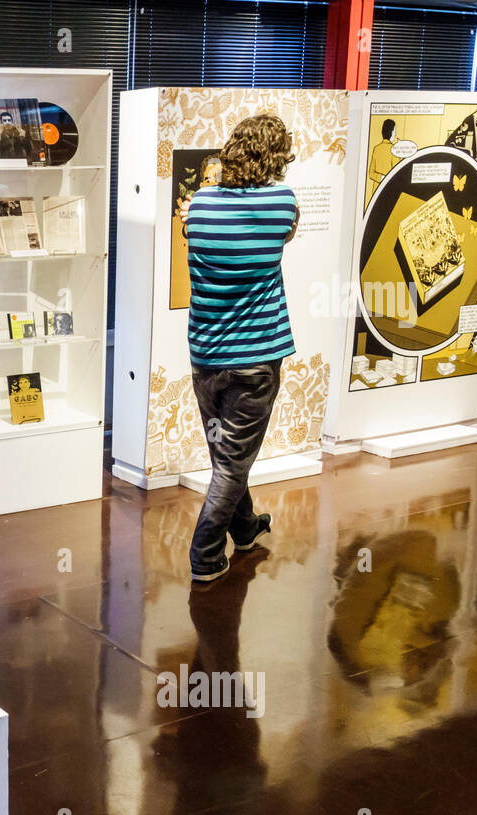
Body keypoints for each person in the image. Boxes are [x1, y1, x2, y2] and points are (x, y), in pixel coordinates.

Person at [180, 114, 299, 582]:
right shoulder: (283, 203)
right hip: (256, 358)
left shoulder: (200, 204)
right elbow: (287, 234)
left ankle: (246, 530)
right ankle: (205, 556)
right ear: (276, 157)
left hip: (206, 356)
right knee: (231, 463)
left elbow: (192, 233)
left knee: (225, 456)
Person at [368, 118, 400, 197]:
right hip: (388, 191)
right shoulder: (394, 150)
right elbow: (397, 174)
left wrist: (381, 178)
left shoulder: (376, 148)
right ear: (392, 132)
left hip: (376, 193)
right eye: (394, 131)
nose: (395, 134)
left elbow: (371, 173)